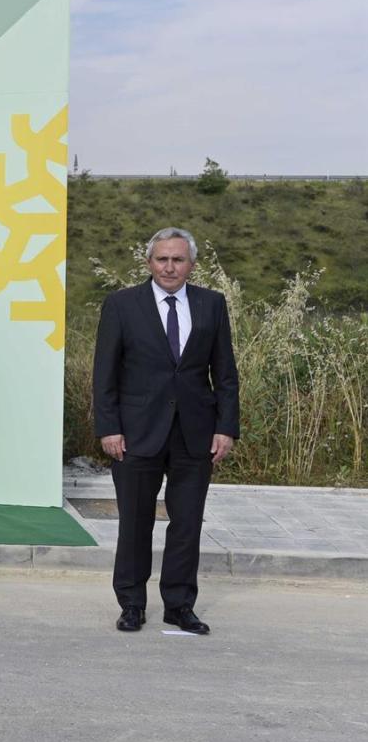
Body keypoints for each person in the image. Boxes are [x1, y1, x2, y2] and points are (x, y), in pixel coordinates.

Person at [93, 227, 238, 635]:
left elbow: (225, 372)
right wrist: (109, 428)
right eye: (162, 259)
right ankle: (132, 604)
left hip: (196, 432)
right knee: (135, 522)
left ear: (191, 264)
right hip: (136, 433)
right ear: (149, 263)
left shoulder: (212, 304)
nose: (169, 266)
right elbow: (104, 373)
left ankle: (178, 605)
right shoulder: (122, 305)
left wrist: (226, 427)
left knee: (187, 522)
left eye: (177, 259)